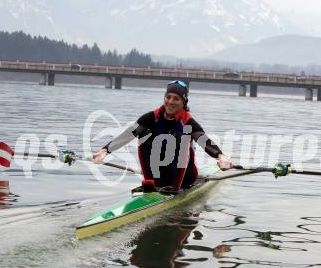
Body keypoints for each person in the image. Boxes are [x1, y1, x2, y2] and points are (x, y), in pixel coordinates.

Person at [92, 80, 231, 192]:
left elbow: (203, 140)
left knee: (182, 138)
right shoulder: (151, 117)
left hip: (185, 178)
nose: (170, 102)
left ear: (184, 103)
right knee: (143, 134)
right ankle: (150, 183)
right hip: (159, 176)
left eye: (176, 99)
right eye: (168, 97)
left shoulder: (187, 122)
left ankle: (175, 187)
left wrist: (220, 156)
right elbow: (128, 134)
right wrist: (105, 150)